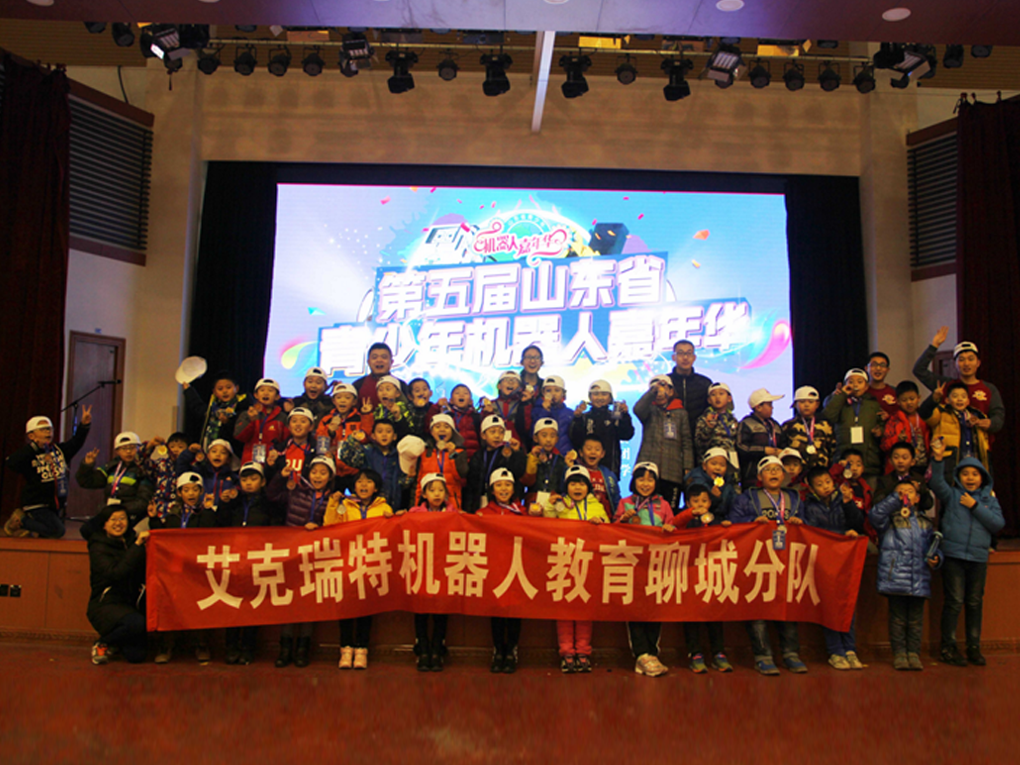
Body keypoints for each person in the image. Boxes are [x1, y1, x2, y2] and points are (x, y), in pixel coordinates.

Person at [929, 439, 1004, 667]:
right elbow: (936, 483)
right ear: (958, 477)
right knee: (954, 601)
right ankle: (948, 647)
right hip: (954, 556)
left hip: (978, 558)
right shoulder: (952, 495)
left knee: (974, 602)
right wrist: (938, 459)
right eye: (965, 474)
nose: (970, 478)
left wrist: (975, 506)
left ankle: (973, 646)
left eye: (975, 474)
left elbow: (998, 524)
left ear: (983, 478)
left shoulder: (989, 500)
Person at [731, 456, 807, 675]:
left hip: (787, 561)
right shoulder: (747, 497)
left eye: (777, 469)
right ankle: (762, 655)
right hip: (757, 561)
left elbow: (809, 527)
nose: (773, 473)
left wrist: (801, 524)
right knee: (757, 608)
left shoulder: (794, 498)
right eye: (768, 469)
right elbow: (733, 522)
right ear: (759, 476)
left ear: (784, 475)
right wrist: (751, 523)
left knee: (787, 606)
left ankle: (791, 653)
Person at [266, 454, 338, 668]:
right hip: (292, 552)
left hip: (317, 555)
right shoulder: (296, 491)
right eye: (314, 472)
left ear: (330, 477)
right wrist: (280, 477)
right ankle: (285, 647)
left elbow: (336, 526)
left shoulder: (334, 499)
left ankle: (303, 648)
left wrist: (319, 528)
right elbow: (272, 496)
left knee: (309, 601)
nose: (318, 476)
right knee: (290, 599)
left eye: (323, 473)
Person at [323, 468, 394, 670]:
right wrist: (333, 504)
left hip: (371, 563)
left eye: (369, 482)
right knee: (346, 607)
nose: (364, 485)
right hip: (347, 562)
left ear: (376, 488)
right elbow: (329, 526)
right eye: (360, 481)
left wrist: (393, 519)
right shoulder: (345, 505)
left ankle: (362, 649)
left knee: (365, 608)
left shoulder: (384, 507)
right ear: (354, 486)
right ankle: (346, 648)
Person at [869, 480, 942, 670]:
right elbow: (875, 515)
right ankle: (899, 653)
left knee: (916, 620)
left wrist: (936, 558)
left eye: (909, 491)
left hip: (919, 577)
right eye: (900, 492)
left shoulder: (925, 522)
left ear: (917, 498)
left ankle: (914, 653)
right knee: (898, 618)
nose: (905, 494)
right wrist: (895, 499)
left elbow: (933, 547)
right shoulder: (888, 521)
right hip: (895, 577)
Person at [613, 462, 675, 677]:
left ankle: (652, 652)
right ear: (633, 481)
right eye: (641, 479)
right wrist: (623, 520)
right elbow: (612, 531)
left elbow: (674, 529)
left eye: (650, 479)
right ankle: (641, 654)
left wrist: (670, 528)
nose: (645, 484)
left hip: (656, 564)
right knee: (635, 607)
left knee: (654, 607)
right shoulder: (625, 503)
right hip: (632, 563)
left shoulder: (663, 505)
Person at [149, 472, 218, 664]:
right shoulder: (174, 514)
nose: (191, 493)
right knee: (170, 606)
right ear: (179, 493)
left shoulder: (205, 512)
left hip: (197, 568)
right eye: (186, 490)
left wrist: (208, 510)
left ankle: (201, 645)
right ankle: (166, 646)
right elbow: (162, 536)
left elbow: (209, 532)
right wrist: (153, 519)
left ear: (201, 492)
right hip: (174, 568)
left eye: (195, 490)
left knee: (199, 606)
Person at [802, 467, 865, 670]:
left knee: (847, 603)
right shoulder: (808, 505)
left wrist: (848, 504)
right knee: (828, 604)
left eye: (828, 482)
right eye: (820, 485)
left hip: (845, 557)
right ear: (812, 489)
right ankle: (835, 651)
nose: (826, 487)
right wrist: (836, 534)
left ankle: (850, 649)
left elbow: (858, 523)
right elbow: (811, 531)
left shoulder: (842, 499)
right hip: (823, 559)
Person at [216, 462, 279, 665]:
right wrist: (224, 504)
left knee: (253, 604)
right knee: (232, 604)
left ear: (263, 481)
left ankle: (248, 647)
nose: (249, 483)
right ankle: (231, 646)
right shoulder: (234, 501)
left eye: (253, 479)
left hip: (257, 559)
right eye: (244, 479)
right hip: (234, 559)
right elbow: (220, 525)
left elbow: (276, 531)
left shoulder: (269, 503)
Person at [549, 466, 608, 673]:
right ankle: (566, 653)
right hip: (563, 563)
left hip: (588, 563)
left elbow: (608, 528)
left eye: (582, 484)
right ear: (566, 486)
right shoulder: (560, 504)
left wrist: (600, 523)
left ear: (588, 487)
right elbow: (546, 523)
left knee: (584, 609)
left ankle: (583, 652)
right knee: (564, 610)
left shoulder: (596, 505)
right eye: (573, 483)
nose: (577, 488)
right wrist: (549, 506)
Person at [5, 409, 91, 538]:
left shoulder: (59, 450)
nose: (48, 432)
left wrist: (84, 425)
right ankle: (21, 520)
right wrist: (34, 448)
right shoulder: (28, 453)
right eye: (43, 429)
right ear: (31, 435)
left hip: (55, 504)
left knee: (47, 536)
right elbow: (11, 463)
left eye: (49, 429)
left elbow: (76, 442)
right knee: (57, 531)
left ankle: (31, 529)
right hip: (36, 503)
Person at [676, 484, 733, 673]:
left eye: (704, 501)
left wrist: (726, 528)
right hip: (689, 573)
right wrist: (689, 514)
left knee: (714, 613)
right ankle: (695, 653)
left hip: (711, 574)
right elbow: (675, 525)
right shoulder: (685, 518)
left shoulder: (716, 519)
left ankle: (718, 653)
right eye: (695, 501)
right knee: (691, 614)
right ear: (687, 503)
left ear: (710, 502)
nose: (700, 504)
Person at [913, 329, 1004, 441]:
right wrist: (934, 346)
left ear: (978, 363)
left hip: (980, 445)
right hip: (948, 446)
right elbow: (919, 370)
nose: (966, 363)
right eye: (961, 360)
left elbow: (998, 415)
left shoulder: (989, 389)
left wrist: (991, 423)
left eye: (971, 359)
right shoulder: (945, 385)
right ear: (955, 364)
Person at [86, 504, 149, 665]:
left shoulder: (131, 540)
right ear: (104, 524)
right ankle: (103, 642)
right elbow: (116, 573)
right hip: (106, 603)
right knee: (137, 623)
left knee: (137, 656)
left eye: (122, 518)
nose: (118, 523)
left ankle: (116, 643)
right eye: (113, 519)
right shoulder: (98, 547)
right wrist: (137, 546)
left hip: (131, 603)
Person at [477, 467, 527, 672]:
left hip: (516, 570)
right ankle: (498, 650)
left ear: (513, 489)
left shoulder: (522, 512)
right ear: (492, 489)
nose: (503, 489)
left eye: (507, 485)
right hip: (495, 570)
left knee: (514, 611)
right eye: (499, 485)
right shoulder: (483, 513)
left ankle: (512, 650)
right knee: (496, 611)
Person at [407, 473, 457, 671]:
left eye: (441, 490)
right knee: (421, 610)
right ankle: (422, 648)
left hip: (444, 569)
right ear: (424, 494)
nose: (437, 494)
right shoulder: (414, 513)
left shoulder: (454, 514)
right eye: (432, 490)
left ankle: (437, 648)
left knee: (440, 611)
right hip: (421, 567)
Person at [634, 375, 694, 509]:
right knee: (645, 510)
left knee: (670, 511)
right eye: (656, 391)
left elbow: (687, 442)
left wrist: (687, 467)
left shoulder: (681, 413)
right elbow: (637, 409)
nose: (660, 394)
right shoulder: (649, 411)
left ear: (671, 391)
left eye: (664, 389)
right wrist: (652, 391)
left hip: (673, 471)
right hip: (648, 471)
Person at [76, 431, 153, 531]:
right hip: (110, 512)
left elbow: (143, 502)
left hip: (131, 515)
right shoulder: (111, 467)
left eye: (132, 448)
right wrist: (87, 466)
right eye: (124, 448)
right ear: (117, 451)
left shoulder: (144, 469)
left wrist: (119, 509)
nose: (128, 451)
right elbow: (86, 482)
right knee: (87, 530)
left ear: (139, 449)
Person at [822, 369, 884, 481]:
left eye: (860, 382)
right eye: (851, 382)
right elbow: (828, 417)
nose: (855, 385)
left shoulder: (873, 404)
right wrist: (842, 395)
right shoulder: (837, 400)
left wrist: (880, 431)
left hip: (868, 459)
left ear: (866, 386)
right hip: (843, 455)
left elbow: (882, 423)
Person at [568, 379, 634, 477]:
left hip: (610, 469)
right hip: (585, 469)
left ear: (610, 398)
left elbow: (627, 435)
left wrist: (625, 416)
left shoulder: (615, 417)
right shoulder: (584, 418)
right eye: (596, 394)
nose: (599, 397)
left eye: (604, 394)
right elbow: (575, 440)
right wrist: (577, 419)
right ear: (590, 397)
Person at [922, 381, 990, 475]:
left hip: (973, 462)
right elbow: (924, 413)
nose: (960, 399)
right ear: (947, 400)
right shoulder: (941, 413)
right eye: (955, 396)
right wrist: (933, 399)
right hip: (949, 462)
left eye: (963, 396)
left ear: (968, 401)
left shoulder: (978, 416)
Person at [315, 382, 373, 492]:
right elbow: (320, 444)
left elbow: (366, 438)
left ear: (354, 401)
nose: (343, 400)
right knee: (333, 499)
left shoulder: (360, 418)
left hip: (355, 469)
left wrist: (367, 415)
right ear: (333, 401)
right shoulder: (327, 420)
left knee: (357, 499)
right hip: (333, 469)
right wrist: (330, 431)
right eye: (339, 397)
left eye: (347, 398)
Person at [338, 419, 407, 511]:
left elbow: (402, 481)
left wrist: (408, 478)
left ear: (394, 436)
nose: (384, 435)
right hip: (367, 503)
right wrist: (352, 439)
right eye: (380, 431)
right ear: (373, 436)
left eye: (388, 431)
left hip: (391, 503)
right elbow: (345, 457)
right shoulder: (366, 452)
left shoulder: (399, 456)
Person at [464, 415, 526, 513]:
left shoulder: (507, 453)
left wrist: (517, 452)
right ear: (483, 435)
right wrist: (468, 509)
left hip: (500, 501)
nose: (497, 436)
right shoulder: (478, 455)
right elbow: (471, 484)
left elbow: (518, 472)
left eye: (501, 432)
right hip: (479, 497)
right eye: (493, 432)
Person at [412, 414, 467, 510]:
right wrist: (416, 506)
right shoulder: (424, 452)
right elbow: (418, 482)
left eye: (446, 427)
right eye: (437, 427)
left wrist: (453, 455)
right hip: (427, 506)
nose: (442, 430)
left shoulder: (459, 452)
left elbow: (462, 476)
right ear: (431, 431)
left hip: (452, 505)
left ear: (452, 431)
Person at [182, 371, 244, 454]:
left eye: (228, 387)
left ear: (237, 388)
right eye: (220, 389)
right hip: (209, 449)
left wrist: (228, 422)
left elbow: (242, 431)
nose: (225, 391)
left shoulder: (242, 405)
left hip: (231, 453)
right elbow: (198, 407)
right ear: (214, 391)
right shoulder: (213, 406)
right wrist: (188, 390)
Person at [736, 388, 783, 490]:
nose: (772, 407)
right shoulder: (746, 423)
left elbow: (783, 444)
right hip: (752, 475)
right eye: (769, 405)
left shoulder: (775, 425)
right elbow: (741, 446)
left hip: (774, 472)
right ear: (758, 407)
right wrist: (763, 450)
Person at [175, 438, 239, 512]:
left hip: (223, 513)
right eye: (214, 451)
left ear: (229, 459)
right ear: (208, 455)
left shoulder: (233, 477)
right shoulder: (200, 472)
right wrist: (189, 452)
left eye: (223, 453)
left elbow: (239, 492)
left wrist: (230, 496)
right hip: (200, 512)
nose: (218, 455)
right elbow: (182, 468)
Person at [233, 378, 287, 465]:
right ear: (256, 395)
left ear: (277, 396)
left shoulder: (283, 417)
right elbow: (239, 436)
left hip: (273, 462)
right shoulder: (247, 414)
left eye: (270, 390)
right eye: (262, 390)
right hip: (250, 461)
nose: (266, 393)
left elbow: (286, 441)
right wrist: (251, 421)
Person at [779, 386, 835, 470]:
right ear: (795, 404)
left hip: (821, 470)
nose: (806, 405)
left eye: (811, 402)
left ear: (817, 404)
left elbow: (832, 448)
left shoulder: (825, 425)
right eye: (802, 402)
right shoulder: (788, 426)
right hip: (796, 471)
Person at [522, 418, 571, 511]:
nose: (548, 440)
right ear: (535, 438)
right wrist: (533, 459)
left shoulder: (561, 460)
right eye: (544, 436)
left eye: (552, 436)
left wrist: (569, 467)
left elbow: (563, 486)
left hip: (554, 502)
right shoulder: (529, 457)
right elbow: (527, 482)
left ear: (557, 439)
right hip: (533, 501)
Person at [881, 381, 930, 473]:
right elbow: (884, 445)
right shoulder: (894, 420)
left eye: (912, 399)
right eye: (904, 400)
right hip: (901, 467)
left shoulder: (925, 417)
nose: (909, 403)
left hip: (924, 465)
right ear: (898, 401)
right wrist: (897, 439)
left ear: (919, 398)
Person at [873, 443, 934, 517]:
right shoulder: (884, 480)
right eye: (896, 457)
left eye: (904, 458)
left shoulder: (919, 479)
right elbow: (877, 503)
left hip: (915, 517)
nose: (900, 461)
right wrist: (895, 489)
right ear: (890, 461)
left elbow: (928, 505)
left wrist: (921, 490)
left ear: (913, 462)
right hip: (892, 517)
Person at [141, 432, 188, 521]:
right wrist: (150, 445)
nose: (175, 450)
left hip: (180, 513)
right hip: (158, 511)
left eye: (180, 447)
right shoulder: (161, 464)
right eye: (172, 446)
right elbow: (140, 461)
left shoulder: (190, 467)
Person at [685, 447, 740, 521]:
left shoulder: (728, 484)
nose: (718, 468)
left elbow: (734, 506)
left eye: (722, 465)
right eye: (713, 464)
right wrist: (713, 497)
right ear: (704, 466)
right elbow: (697, 508)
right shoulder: (697, 482)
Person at [668, 340, 712, 426]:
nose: (685, 357)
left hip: (699, 431)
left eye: (689, 353)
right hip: (671, 431)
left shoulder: (704, 383)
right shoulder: (666, 382)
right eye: (680, 353)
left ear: (694, 357)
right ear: (673, 357)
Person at [694, 382, 739, 465]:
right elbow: (699, 444)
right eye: (713, 395)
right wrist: (709, 427)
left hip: (731, 461)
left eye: (721, 394)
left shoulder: (733, 420)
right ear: (709, 400)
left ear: (729, 398)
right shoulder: (704, 418)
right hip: (712, 463)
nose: (717, 397)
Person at [267, 408, 317, 481]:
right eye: (294, 421)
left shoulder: (316, 450)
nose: (298, 424)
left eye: (303, 421)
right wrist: (270, 466)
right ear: (289, 426)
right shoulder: (279, 449)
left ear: (311, 427)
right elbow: (270, 478)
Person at [353, 342, 409, 408]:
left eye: (384, 357)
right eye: (374, 357)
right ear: (368, 362)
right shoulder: (358, 385)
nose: (379, 360)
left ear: (391, 362)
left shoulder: (401, 385)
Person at [530, 376, 575, 457]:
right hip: (543, 455)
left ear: (563, 393)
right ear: (543, 392)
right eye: (548, 390)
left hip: (565, 455)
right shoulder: (537, 410)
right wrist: (545, 411)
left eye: (557, 390)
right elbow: (533, 432)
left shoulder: (569, 413)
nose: (553, 394)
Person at [440, 384, 481, 461]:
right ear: (451, 401)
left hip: (473, 457)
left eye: (465, 393)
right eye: (457, 393)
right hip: (453, 456)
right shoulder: (447, 416)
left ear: (471, 401)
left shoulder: (476, 417)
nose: (461, 395)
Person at [370, 375, 414, 439]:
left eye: (388, 389)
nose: (384, 393)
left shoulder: (403, 409)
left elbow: (409, 433)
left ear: (397, 393)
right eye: (380, 390)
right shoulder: (377, 411)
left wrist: (398, 417)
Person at [866, 352, 899, 419]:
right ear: (866, 368)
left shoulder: (895, 392)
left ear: (887, 370)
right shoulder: (861, 392)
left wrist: (889, 418)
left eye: (882, 365)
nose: (878, 368)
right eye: (874, 365)